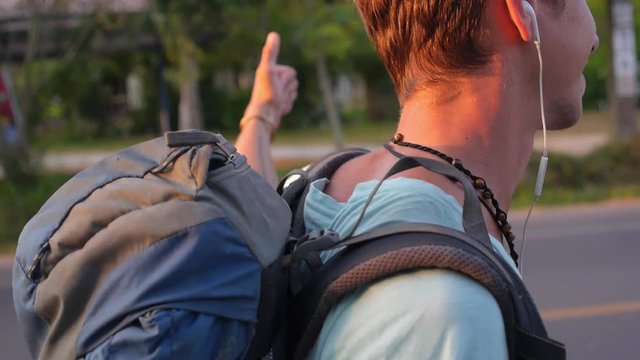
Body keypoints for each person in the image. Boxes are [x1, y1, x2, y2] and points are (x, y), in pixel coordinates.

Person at [239, 1, 599, 359]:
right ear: (521, 12)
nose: (594, 37)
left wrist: (260, 117)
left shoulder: (324, 188)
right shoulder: (445, 315)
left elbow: (254, 206)